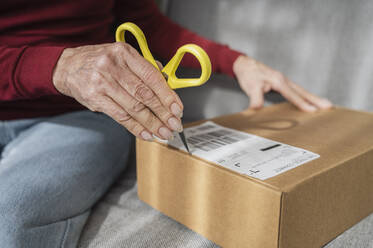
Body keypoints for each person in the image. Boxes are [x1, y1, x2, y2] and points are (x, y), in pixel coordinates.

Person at [0, 0, 332, 247]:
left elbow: (146, 25)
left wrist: (238, 63)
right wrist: (56, 67)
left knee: (10, 214)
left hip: (83, 114)